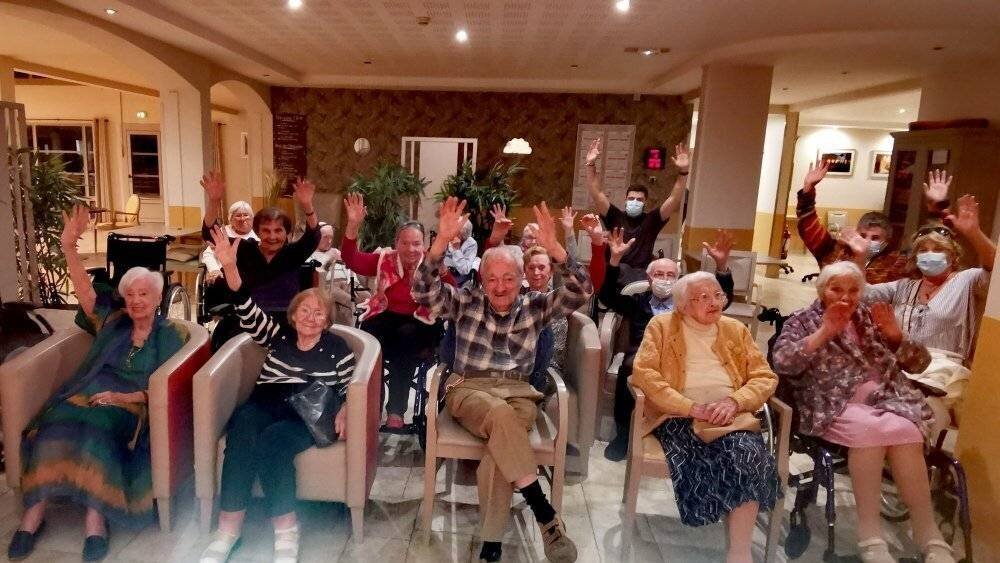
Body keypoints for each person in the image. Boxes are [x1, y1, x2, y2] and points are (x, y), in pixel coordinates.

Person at [413, 197, 591, 563]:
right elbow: (422, 292)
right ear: (481, 281)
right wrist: (439, 245)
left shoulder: (536, 306)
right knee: (501, 418)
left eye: (509, 278)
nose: (500, 286)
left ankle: (490, 545)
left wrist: (558, 248)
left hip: (519, 395)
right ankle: (545, 514)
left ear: (522, 279)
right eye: (491, 279)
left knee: (501, 439)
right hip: (469, 389)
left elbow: (582, 291)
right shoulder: (464, 302)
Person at [8, 205, 189, 562]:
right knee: (53, 423)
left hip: (131, 403)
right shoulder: (113, 321)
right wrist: (69, 247)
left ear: (157, 299)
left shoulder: (170, 334)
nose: (137, 301)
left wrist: (124, 397)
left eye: (144, 295)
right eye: (131, 294)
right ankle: (34, 515)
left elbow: (169, 385)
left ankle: (95, 519)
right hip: (88, 389)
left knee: (96, 430)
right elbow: (86, 294)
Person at [772, 261, 955, 563]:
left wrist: (896, 337)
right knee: (869, 434)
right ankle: (870, 535)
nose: (845, 297)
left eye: (853, 290)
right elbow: (783, 363)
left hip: (885, 396)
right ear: (822, 290)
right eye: (836, 289)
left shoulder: (869, 319)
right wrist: (823, 333)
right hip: (831, 400)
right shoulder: (803, 320)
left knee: (908, 430)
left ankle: (928, 533)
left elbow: (918, 365)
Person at [199, 227, 356, 563]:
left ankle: (286, 532)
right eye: (304, 311)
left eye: (319, 313)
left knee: (273, 444)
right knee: (241, 427)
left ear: (327, 320)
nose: (311, 318)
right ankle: (228, 530)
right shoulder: (278, 337)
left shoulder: (338, 348)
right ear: (292, 316)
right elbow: (245, 305)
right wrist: (230, 266)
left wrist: (345, 408)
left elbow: (351, 387)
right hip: (267, 400)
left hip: (307, 413)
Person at [631, 272, 780, 563]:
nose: (714, 302)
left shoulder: (735, 329)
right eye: (703, 297)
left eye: (718, 295)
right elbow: (645, 373)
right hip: (678, 416)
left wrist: (734, 401)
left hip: (729, 416)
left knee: (748, 456)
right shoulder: (661, 326)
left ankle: (739, 554)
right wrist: (690, 407)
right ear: (683, 306)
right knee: (700, 456)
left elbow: (764, 377)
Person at [599, 228, 736, 461]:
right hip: (642, 356)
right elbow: (607, 297)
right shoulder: (637, 301)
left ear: (678, 279)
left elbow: (723, 301)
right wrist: (614, 260)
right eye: (659, 274)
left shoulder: (688, 305)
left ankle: (675, 429)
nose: (665, 279)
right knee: (627, 371)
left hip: (680, 355)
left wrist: (721, 267)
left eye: (671, 275)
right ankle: (623, 434)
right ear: (649, 278)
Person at [340, 192, 452, 430]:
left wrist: (442, 272)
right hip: (386, 317)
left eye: (416, 243)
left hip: (421, 322)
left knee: (406, 337)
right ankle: (371, 406)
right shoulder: (384, 260)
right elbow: (351, 259)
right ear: (396, 243)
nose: (411, 249)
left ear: (424, 244)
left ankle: (396, 411)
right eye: (405, 243)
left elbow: (454, 291)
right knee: (371, 338)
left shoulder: (431, 263)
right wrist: (353, 225)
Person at [864, 188, 995, 362]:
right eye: (923, 250)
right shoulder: (903, 287)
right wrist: (858, 255)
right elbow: (861, 293)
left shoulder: (966, 281)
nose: (929, 254)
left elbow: (994, 268)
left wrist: (973, 233)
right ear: (916, 257)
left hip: (943, 375)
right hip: (901, 367)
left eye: (938, 249)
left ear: (953, 256)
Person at [200, 173, 320, 348]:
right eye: (266, 230)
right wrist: (214, 201)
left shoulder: (294, 252)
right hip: (246, 319)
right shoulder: (243, 248)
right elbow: (209, 232)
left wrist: (307, 205)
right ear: (257, 232)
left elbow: (314, 234)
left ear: (286, 233)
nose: (272, 236)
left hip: (286, 322)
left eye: (278, 231)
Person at [586, 138, 690, 284]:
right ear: (625, 199)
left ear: (645, 202)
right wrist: (590, 164)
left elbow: (674, 199)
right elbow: (596, 193)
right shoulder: (614, 215)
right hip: (615, 271)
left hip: (641, 275)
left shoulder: (652, 220)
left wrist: (684, 171)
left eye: (639, 200)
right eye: (631, 198)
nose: (634, 202)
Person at [795, 160, 907, 283]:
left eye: (875, 238)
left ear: (886, 242)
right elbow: (808, 227)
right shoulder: (834, 251)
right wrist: (808, 189)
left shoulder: (895, 263)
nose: (867, 241)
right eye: (863, 235)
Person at [201, 195, 259, 285]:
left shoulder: (258, 234)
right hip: (224, 276)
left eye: (246, 215)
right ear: (231, 219)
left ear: (252, 218)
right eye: (238, 216)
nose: (243, 219)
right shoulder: (223, 233)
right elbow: (208, 254)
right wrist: (214, 270)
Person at [444, 217, 478, 285]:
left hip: (459, 277)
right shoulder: (447, 238)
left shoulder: (471, 244)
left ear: (462, 235)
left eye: (456, 232)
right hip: (443, 273)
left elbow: (464, 270)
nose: (452, 233)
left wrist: (457, 250)